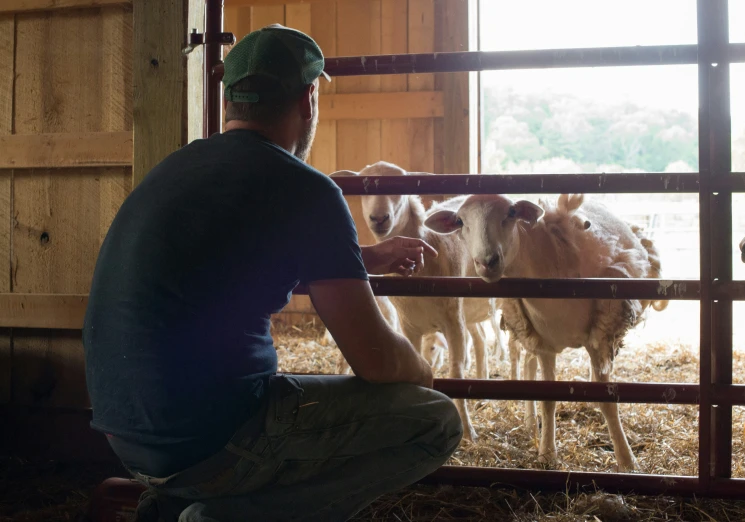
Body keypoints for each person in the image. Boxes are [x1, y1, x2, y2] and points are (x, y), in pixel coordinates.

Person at [82, 24, 463, 522]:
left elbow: (234, 268)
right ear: (309, 99)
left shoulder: (177, 167)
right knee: (435, 421)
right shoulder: (305, 188)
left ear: (229, 101)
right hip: (214, 442)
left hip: (125, 436)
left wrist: (359, 261)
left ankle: (173, 506)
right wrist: (422, 373)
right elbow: (377, 361)